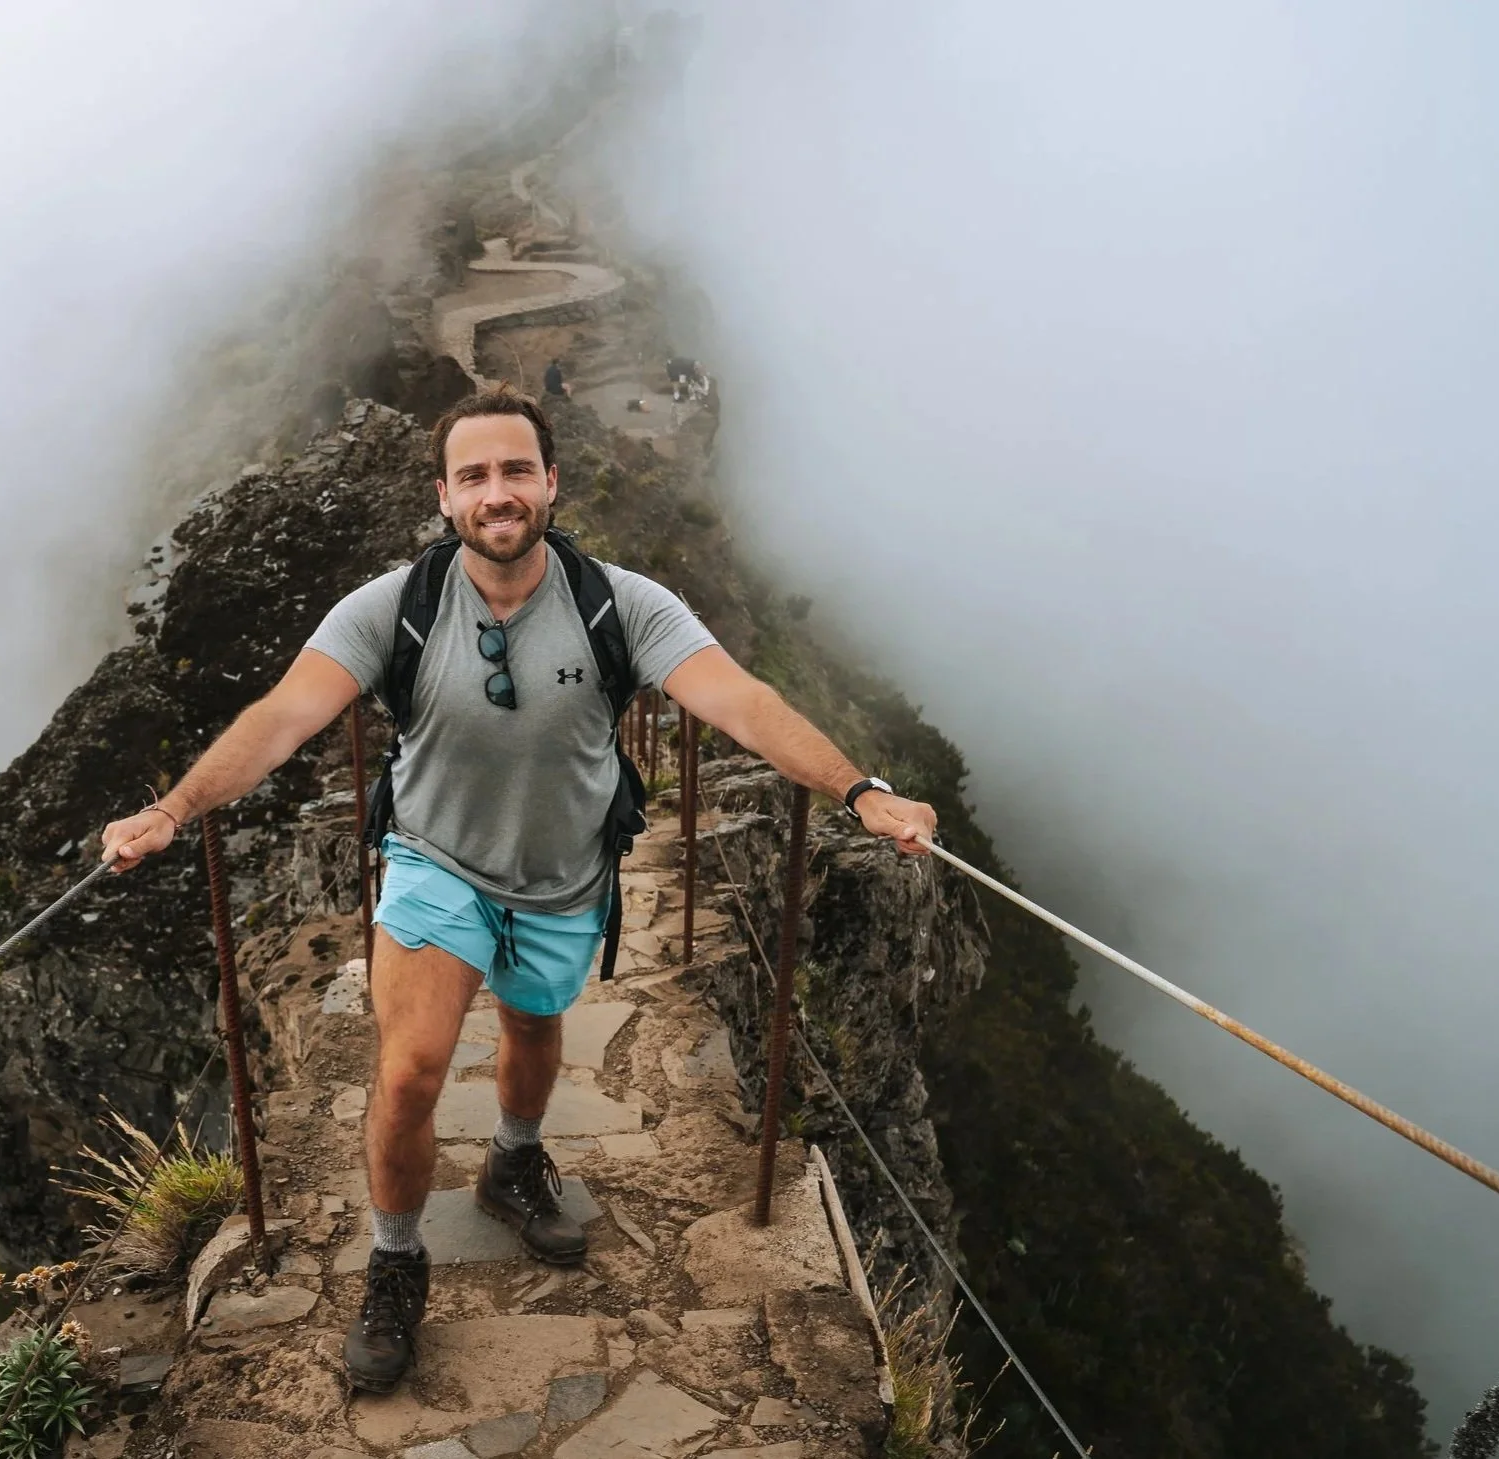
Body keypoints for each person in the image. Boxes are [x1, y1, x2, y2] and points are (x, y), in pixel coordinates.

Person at [99, 388, 937, 1393]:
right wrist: (176, 810)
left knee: (534, 1033)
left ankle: (511, 1159)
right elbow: (283, 716)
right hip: (432, 859)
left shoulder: (620, 605)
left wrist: (858, 789)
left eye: (512, 471)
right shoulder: (391, 609)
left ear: (549, 482)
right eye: (473, 476)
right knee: (411, 1068)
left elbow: (740, 700)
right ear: (444, 497)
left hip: (562, 874)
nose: (495, 493)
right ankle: (397, 1259)